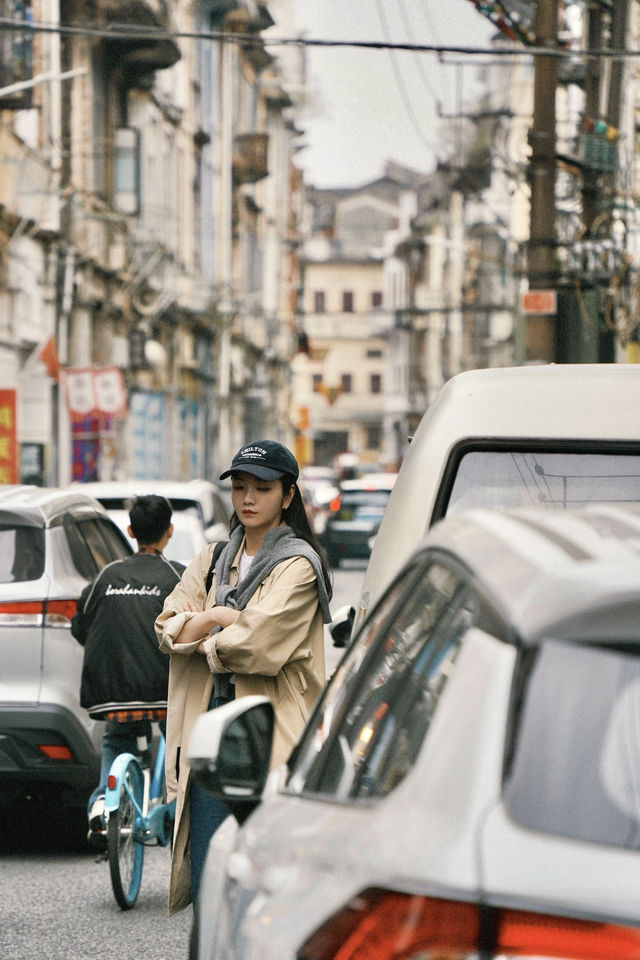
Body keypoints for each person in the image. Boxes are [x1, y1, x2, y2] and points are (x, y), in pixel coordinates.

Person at [155, 440, 332, 914]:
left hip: (269, 734)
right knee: (211, 877)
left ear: (288, 496)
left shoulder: (299, 565)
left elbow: (256, 646)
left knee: (265, 886)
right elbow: (164, 627)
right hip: (208, 730)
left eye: (263, 488)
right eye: (239, 487)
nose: (248, 498)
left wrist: (205, 617)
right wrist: (224, 618)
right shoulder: (212, 557)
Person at [71, 494, 185, 845]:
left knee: (116, 740)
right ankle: (177, 806)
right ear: (169, 531)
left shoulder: (107, 576)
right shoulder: (177, 576)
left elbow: (80, 627)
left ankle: (103, 803)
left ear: (130, 530)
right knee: (179, 741)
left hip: (112, 692)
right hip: (163, 691)